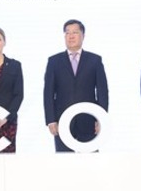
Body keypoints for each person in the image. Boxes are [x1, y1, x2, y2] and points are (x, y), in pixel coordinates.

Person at [43, 19, 109, 152]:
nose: (71, 36)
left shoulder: (95, 60)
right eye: (67, 33)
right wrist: (51, 120)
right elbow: (48, 93)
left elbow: (102, 91)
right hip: (62, 121)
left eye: (75, 32)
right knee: (64, 161)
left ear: (83, 35)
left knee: (90, 159)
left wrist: (101, 118)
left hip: (88, 120)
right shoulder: (54, 61)